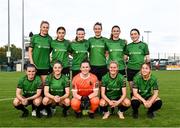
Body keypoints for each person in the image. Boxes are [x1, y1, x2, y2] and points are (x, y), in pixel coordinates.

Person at [124, 28, 150, 97]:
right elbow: (125, 58)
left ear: (138, 35)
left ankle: (143, 100)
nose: (133, 36)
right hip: (130, 69)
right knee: (132, 89)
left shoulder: (144, 45)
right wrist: (124, 46)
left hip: (140, 70)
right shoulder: (128, 46)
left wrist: (146, 66)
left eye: (135, 34)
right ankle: (134, 103)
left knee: (140, 88)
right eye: (131, 34)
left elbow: (148, 58)